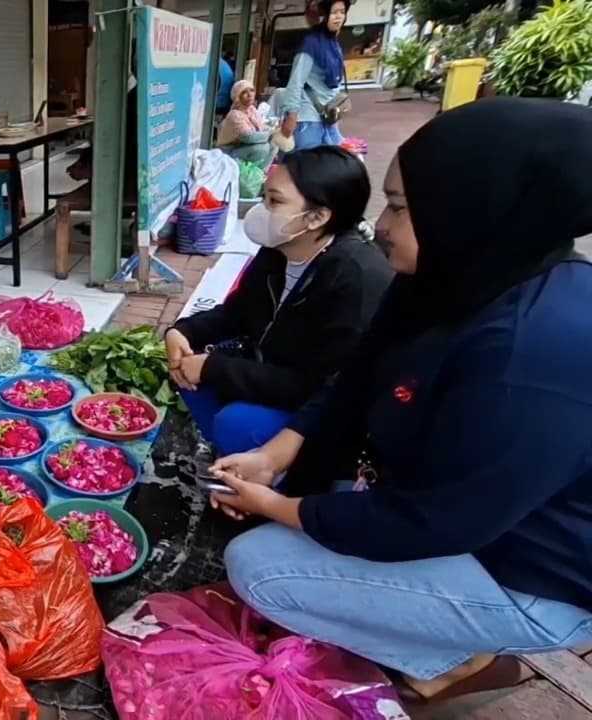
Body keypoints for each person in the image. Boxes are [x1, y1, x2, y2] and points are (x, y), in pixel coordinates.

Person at [212, 98, 592, 704]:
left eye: (399, 207)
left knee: (262, 570)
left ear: (476, 209)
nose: (380, 226)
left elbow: (441, 520)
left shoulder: (537, 349)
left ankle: (449, 658)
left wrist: (283, 508)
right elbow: (358, 377)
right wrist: (276, 457)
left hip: (526, 569)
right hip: (435, 503)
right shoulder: (445, 276)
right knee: (282, 478)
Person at [164, 146, 391, 456]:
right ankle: (232, 458)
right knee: (185, 368)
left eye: (275, 201)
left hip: (323, 409)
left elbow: (321, 387)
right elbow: (237, 313)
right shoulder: (278, 250)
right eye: (264, 197)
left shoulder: (357, 279)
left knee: (236, 422)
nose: (262, 209)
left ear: (317, 217)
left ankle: (277, 486)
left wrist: (215, 368)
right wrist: (181, 331)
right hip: (271, 370)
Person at [281, 0, 349, 150]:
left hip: (328, 118)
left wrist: (336, 110)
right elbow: (296, 82)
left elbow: (335, 85)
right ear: (324, 15)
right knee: (307, 167)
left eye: (342, 12)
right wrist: (292, 115)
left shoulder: (334, 44)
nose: (338, 17)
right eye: (334, 12)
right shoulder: (311, 43)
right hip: (308, 119)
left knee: (330, 165)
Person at [217, 80, 290, 170]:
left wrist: (274, 131)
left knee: (274, 144)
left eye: (251, 90)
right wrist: (271, 133)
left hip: (243, 147)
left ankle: (261, 174)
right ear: (237, 97)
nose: (250, 94)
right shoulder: (235, 115)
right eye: (244, 92)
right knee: (261, 148)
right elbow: (249, 137)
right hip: (229, 151)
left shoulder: (252, 110)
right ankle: (246, 173)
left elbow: (261, 130)